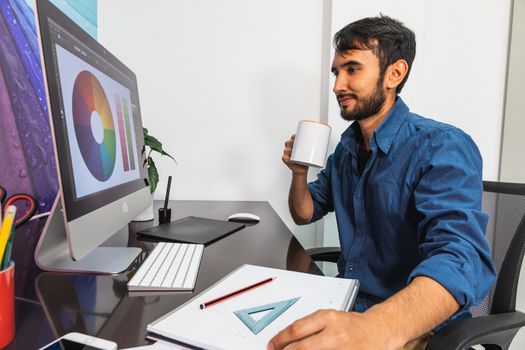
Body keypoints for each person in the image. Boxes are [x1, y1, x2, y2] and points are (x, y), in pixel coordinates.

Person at [270, 15, 496, 350]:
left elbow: (461, 256)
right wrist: (299, 173)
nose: (337, 86)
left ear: (394, 73)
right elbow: (306, 212)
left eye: (352, 69)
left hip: (413, 328)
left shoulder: (441, 145)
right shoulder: (345, 154)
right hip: (348, 305)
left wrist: (376, 327)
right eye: (336, 72)